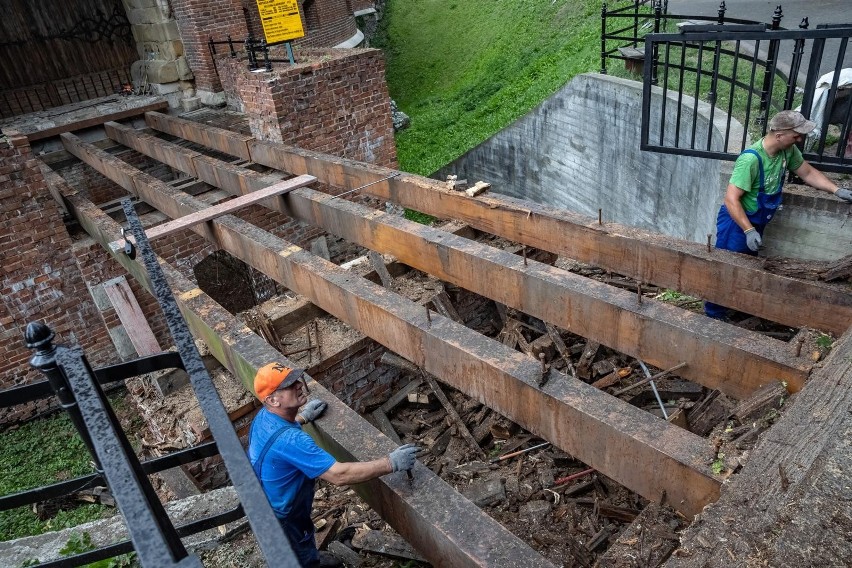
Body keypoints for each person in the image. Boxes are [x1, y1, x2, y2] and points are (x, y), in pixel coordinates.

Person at [248, 362, 419, 567]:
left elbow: (280, 437)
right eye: (289, 385)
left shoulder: (264, 418)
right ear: (272, 399)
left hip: (265, 503)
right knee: (299, 556)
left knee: (302, 547)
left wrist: (303, 418)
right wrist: (391, 463)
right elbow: (339, 474)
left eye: (295, 380)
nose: (298, 385)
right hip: (283, 519)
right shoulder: (292, 441)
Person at [705, 110, 852, 319]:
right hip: (737, 223)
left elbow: (807, 172)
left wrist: (837, 190)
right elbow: (731, 199)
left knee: (746, 267)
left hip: (756, 222)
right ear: (779, 134)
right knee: (726, 268)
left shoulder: (787, 151)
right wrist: (748, 230)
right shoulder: (751, 160)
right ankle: (715, 314)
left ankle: (735, 306)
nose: (800, 139)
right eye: (796, 134)